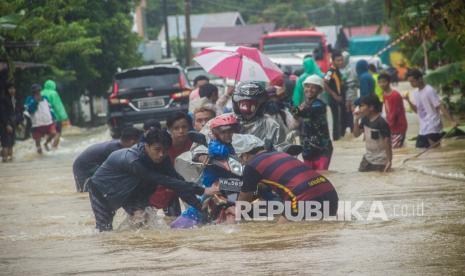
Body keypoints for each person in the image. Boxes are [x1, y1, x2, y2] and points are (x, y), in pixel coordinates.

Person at [88, 128, 218, 231]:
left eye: (165, 150)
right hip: (102, 190)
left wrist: (199, 207)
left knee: (143, 218)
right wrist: (202, 190)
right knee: (105, 231)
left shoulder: (163, 158)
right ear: (146, 146)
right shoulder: (133, 160)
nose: (161, 154)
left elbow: (178, 182)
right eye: (157, 149)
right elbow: (162, 180)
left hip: (132, 191)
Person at [227, 134, 338, 222]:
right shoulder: (280, 154)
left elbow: (244, 199)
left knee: (280, 238)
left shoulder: (252, 165)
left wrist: (236, 213)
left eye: (240, 158)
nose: (241, 162)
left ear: (245, 155)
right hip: (330, 192)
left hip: (303, 198)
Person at [171, 114, 240, 228]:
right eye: (224, 132)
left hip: (233, 183)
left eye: (230, 131)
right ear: (216, 133)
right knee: (201, 207)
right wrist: (202, 155)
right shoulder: (214, 145)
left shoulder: (236, 144)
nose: (228, 135)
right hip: (215, 185)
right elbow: (208, 151)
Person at [148, 112, 193, 215]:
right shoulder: (162, 146)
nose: (181, 131)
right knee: (172, 220)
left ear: (190, 127)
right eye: (176, 128)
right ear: (169, 129)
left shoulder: (194, 144)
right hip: (165, 188)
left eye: (184, 127)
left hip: (187, 184)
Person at [72, 127, 142, 192]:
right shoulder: (113, 149)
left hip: (94, 165)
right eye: (137, 144)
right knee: (84, 192)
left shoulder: (119, 146)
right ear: (132, 142)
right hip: (82, 167)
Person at [404, 69, 458, 148]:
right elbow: (417, 111)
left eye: (413, 81)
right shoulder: (415, 93)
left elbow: (440, 106)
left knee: (434, 150)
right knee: (420, 148)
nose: (411, 84)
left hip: (433, 126)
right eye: (410, 82)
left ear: (420, 79)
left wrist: (452, 121)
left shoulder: (429, 90)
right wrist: (408, 100)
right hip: (423, 128)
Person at [292, 75, 333, 170]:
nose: (309, 89)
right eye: (307, 86)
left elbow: (304, 112)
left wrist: (296, 110)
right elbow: (296, 115)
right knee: (309, 178)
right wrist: (297, 111)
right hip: (306, 148)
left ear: (319, 90)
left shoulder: (319, 105)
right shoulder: (303, 105)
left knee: (322, 176)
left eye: (313, 87)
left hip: (322, 149)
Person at [353, 94, 392, 172]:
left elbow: (387, 141)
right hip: (367, 158)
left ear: (371, 107)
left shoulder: (381, 122)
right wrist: (356, 120)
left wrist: (389, 160)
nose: (359, 109)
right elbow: (356, 134)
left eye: (362, 106)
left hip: (380, 160)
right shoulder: (364, 120)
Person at [25, 84, 57, 154]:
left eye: (39, 91)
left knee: (53, 133)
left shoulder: (45, 98)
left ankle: (46, 143)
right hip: (36, 125)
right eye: (36, 92)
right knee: (38, 142)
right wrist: (35, 102)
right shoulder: (29, 99)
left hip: (48, 122)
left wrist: (54, 117)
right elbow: (29, 110)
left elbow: (50, 108)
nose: (38, 93)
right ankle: (39, 154)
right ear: (33, 92)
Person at [378, 73, 407, 148]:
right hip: (391, 127)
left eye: (384, 82)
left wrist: (385, 128)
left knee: (396, 150)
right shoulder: (384, 94)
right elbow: (387, 111)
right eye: (380, 82)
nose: (382, 84)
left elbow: (394, 113)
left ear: (389, 82)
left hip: (399, 127)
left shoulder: (395, 95)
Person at [324, 51, 346, 140]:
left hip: (339, 98)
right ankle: (336, 137)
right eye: (338, 60)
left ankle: (340, 137)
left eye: (341, 60)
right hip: (334, 99)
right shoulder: (331, 71)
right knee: (336, 118)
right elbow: (325, 83)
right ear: (332, 61)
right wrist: (334, 95)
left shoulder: (337, 70)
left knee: (340, 118)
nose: (340, 62)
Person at [41, 80, 68, 148]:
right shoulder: (54, 93)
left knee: (47, 132)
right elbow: (58, 106)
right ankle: (54, 147)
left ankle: (46, 144)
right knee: (58, 132)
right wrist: (64, 116)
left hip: (43, 117)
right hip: (55, 116)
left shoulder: (41, 93)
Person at [0, 83, 23, 162]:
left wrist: (19, 123)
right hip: (5, 125)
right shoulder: (3, 99)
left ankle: (9, 160)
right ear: (7, 90)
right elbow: (2, 113)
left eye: (13, 88)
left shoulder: (15, 99)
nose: (12, 90)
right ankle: (4, 159)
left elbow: (18, 112)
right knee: (5, 143)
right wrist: (7, 124)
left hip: (13, 123)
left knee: (11, 143)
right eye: (10, 89)